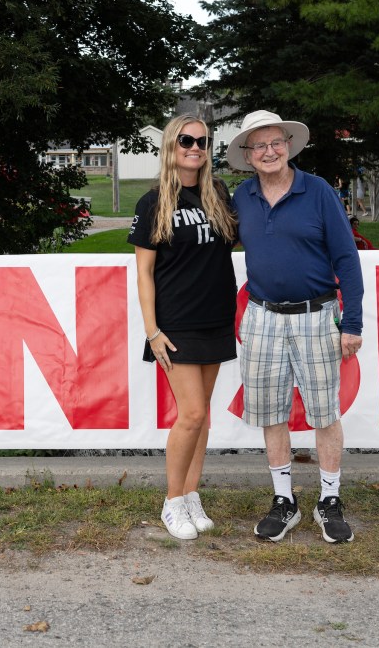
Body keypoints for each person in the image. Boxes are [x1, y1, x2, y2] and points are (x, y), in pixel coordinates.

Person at [227, 110, 364, 544]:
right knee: (271, 413)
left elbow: (347, 258)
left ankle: (329, 500)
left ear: (288, 145)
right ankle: (284, 500)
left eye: (275, 143)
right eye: (259, 145)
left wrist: (352, 321)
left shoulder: (318, 190)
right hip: (262, 316)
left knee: (325, 411)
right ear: (248, 154)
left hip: (317, 315)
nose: (269, 152)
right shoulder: (242, 197)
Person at [128, 115, 238, 540]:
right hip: (176, 324)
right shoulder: (152, 202)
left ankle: (191, 494)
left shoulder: (218, 194)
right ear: (172, 146)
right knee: (190, 414)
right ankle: (172, 502)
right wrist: (152, 330)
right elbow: (144, 273)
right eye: (186, 141)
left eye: (202, 141)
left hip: (216, 317)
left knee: (202, 414)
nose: (195, 148)